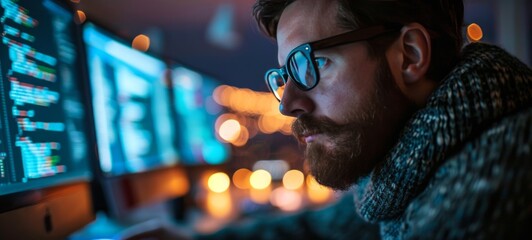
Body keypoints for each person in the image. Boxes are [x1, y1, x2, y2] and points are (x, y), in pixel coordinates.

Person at [128, 0, 531, 239]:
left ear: (408, 54)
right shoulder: (409, 166)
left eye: (311, 63)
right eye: (285, 75)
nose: (287, 103)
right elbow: (325, 229)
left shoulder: (493, 185)